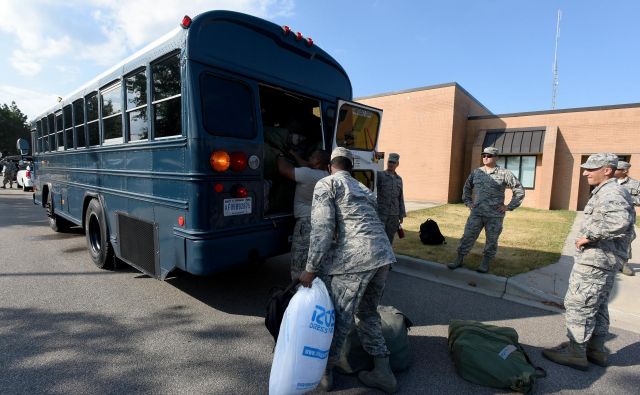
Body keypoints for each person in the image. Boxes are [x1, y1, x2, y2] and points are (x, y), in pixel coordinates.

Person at [299, 147, 398, 393]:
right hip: (383, 255)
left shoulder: (327, 184)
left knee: (336, 318)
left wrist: (310, 268)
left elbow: (322, 229)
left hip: (356, 258)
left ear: (329, 166)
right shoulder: (363, 188)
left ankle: (324, 375)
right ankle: (383, 372)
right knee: (367, 313)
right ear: (350, 167)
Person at [543, 153, 635, 370]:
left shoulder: (611, 191)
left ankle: (576, 352)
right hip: (604, 260)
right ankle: (596, 350)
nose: (585, 173)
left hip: (596, 259)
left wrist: (589, 235)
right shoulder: (609, 190)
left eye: (591, 168)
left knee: (579, 305)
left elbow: (619, 221)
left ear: (607, 170)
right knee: (598, 305)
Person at [448, 147, 525, 273]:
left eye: (489, 155)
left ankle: (485, 262)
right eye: (484, 155)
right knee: (467, 236)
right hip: (477, 213)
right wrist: (468, 202)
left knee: (492, 240)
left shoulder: (505, 173)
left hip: (494, 215)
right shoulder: (477, 172)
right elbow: (467, 188)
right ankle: (459, 259)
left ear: (495, 157)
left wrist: (508, 207)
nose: (485, 157)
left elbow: (519, 190)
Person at [276, 149, 330, 280]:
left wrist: (280, 155)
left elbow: (283, 169)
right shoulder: (327, 175)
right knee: (315, 260)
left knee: (299, 263)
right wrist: (295, 155)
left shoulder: (307, 174)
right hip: (322, 222)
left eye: (312, 156)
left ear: (318, 161)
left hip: (306, 223)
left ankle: (299, 293)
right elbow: (306, 164)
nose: (309, 157)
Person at [614, 160, 639, 276]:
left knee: (626, 240)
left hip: (626, 218)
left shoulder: (635, 184)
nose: (614, 170)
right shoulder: (609, 182)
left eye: (617, 169)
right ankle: (608, 263)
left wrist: (626, 198)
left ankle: (623, 264)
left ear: (624, 171)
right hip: (609, 216)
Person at [376, 153, 406, 243]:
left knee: (389, 239)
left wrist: (401, 214)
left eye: (393, 162)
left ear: (397, 164)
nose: (391, 164)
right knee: (379, 237)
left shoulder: (399, 179)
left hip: (394, 215)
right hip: (381, 213)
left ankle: (387, 256)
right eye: (389, 162)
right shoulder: (380, 175)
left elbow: (400, 197)